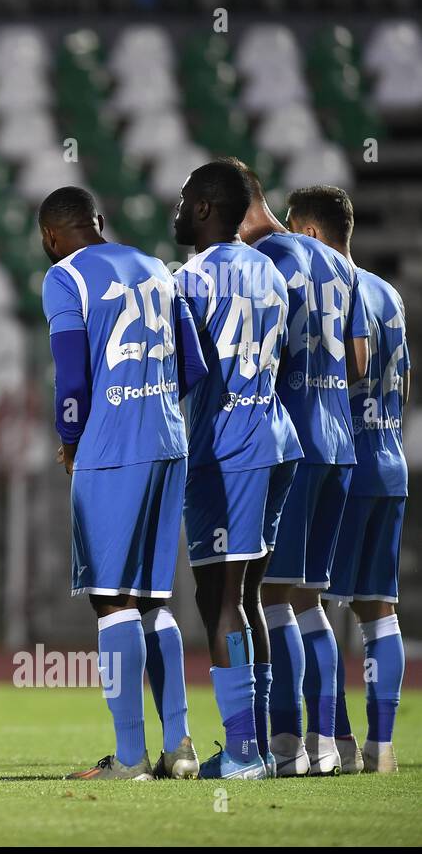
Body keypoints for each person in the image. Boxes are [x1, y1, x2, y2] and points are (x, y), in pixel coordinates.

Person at [39, 185, 205, 781]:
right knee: (156, 599)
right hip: (169, 443)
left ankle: (131, 757)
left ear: (50, 237)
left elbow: (71, 375)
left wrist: (71, 438)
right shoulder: (159, 268)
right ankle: (180, 746)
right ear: (100, 221)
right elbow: (192, 365)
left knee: (113, 602)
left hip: (112, 450)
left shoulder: (64, 277)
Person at [223, 157, 369, 776]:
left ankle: (283, 745)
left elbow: (262, 347)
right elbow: (360, 363)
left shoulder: (271, 260)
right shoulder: (343, 265)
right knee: (311, 602)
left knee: (270, 597)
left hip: (295, 443)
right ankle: (326, 744)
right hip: (340, 444)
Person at [172, 161, 303, 779]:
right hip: (276, 437)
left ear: (203, 208)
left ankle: (245, 751)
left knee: (220, 596)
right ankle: (267, 746)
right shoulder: (272, 273)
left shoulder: (191, 279)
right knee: (244, 594)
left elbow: (184, 370)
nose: (175, 211)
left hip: (228, 447)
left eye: (181, 201)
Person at [291, 186, 409, 775]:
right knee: (379, 611)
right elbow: (403, 387)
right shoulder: (390, 294)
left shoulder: (334, 289)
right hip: (392, 462)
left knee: (308, 602)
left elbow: (351, 367)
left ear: (311, 234)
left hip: (345, 463)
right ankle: (381, 748)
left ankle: (331, 739)